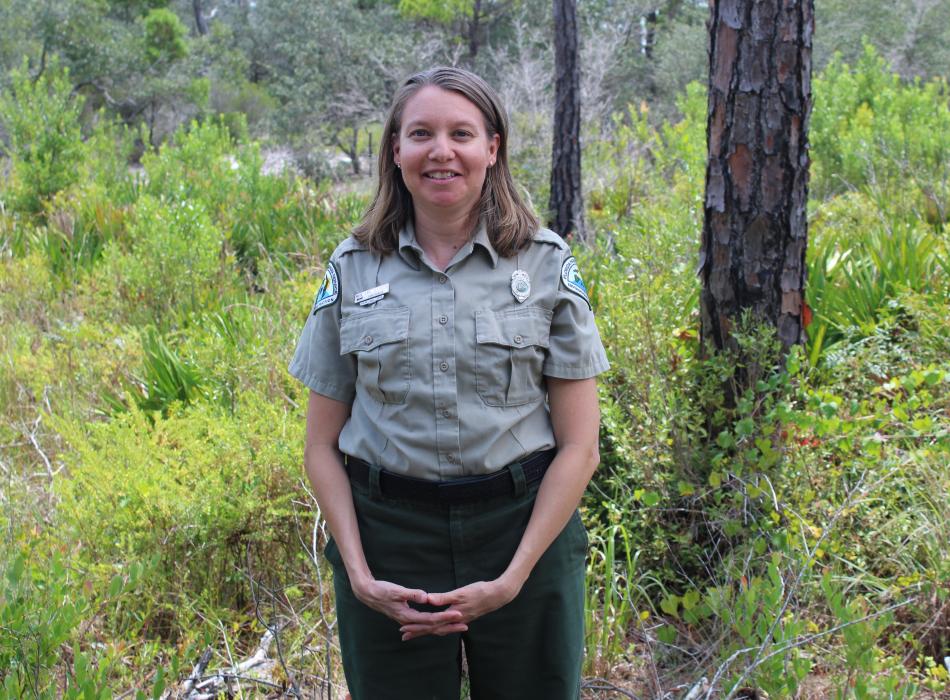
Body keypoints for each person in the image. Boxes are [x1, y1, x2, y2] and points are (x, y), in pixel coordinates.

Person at [289, 66, 609, 700]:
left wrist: (515, 576)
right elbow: (320, 446)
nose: (442, 151)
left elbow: (581, 447)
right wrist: (358, 574)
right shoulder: (353, 267)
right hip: (389, 538)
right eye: (421, 133)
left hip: (524, 530)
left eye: (462, 133)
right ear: (396, 151)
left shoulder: (543, 263)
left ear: (492, 148)